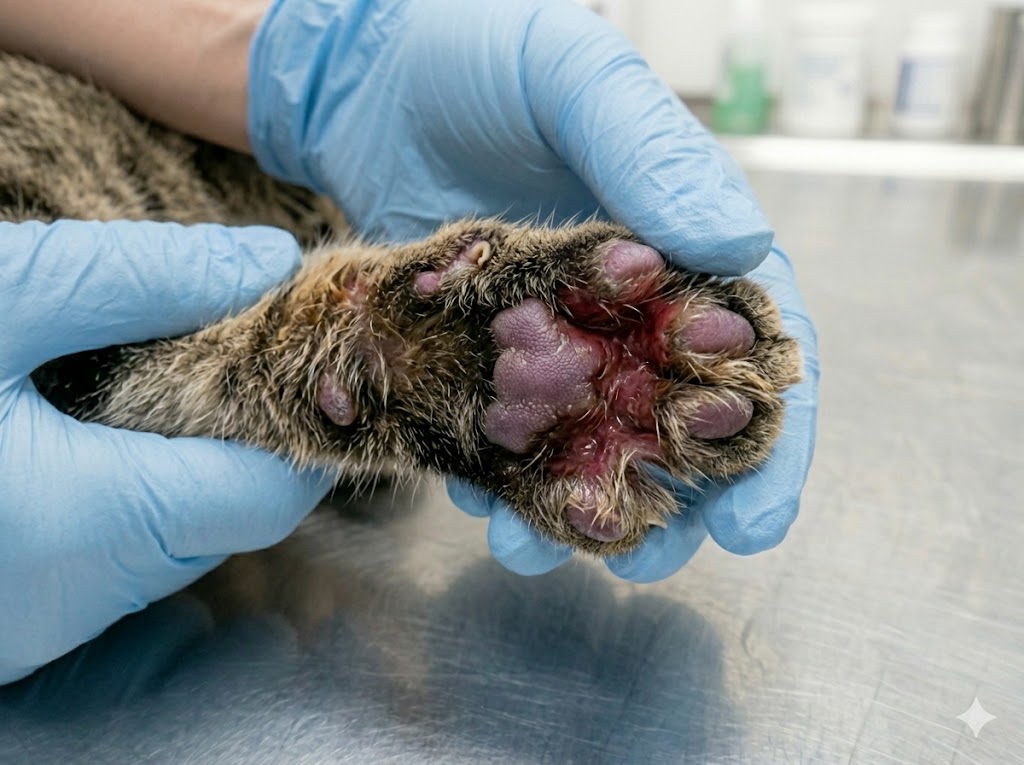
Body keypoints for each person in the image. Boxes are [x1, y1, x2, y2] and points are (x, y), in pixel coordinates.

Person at [0, 0, 819, 684]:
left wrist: (304, 62)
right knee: (96, 369)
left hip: (139, 111)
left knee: (99, 358)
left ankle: (349, 353)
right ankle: (347, 356)